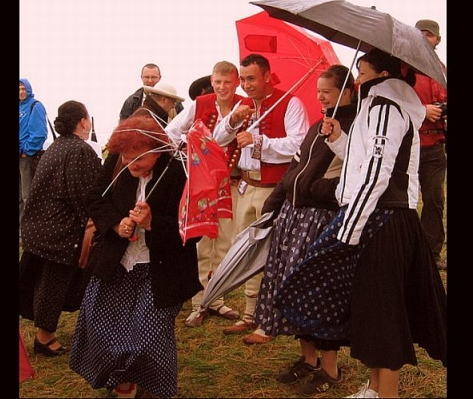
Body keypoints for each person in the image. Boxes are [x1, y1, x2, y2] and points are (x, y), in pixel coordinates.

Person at [296, 48, 446, 398]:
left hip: (384, 218)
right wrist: (337, 138)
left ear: (381, 74)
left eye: (361, 70)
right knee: (375, 307)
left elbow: (378, 174)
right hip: (380, 215)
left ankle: (387, 393)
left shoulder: (386, 108)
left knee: (385, 310)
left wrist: (349, 228)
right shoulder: (378, 107)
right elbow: (363, 160)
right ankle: (376, 387)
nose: (357, 76)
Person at [69, 114, 203, 399]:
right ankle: (123, 384)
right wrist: (117, 224)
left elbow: (193, 230)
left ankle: (155, 389)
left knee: (149, 337)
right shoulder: (116, 163)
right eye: (127, 159)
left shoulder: (179, 174)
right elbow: (95, 198)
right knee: (101, 327)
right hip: (116, 264)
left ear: (157, 150)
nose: (132, 165)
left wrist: (153, 223)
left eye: (139, 160)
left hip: (160, 270)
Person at [247, 65, 357, 395]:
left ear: (347, 92)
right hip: (295, 218)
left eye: (327, 91)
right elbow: (294, 169)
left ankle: (330, 368)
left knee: (320, 293)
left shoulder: (353, 128)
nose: (320, 96)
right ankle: (307, 360)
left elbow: (352, 177)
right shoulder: (315, 126)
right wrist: (275, 204)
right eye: (318, 90)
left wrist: (315, 189)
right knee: (293, 287)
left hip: (322, 219)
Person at [213, 53, 309, 342]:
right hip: (246, 184)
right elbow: (218, 138)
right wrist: (232, 121)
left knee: (274, 253)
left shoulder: (290, 102)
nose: (246, 84)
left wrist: (259, 142)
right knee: (246, 250)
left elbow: (299, 142)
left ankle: (270, 320)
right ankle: (250, 314)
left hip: (274, 189)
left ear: (267, 76)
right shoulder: (243, 106)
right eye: (242, 79)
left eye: (251, 78)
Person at [166, 61, 249, 327]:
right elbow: (172, 132)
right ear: (212, 81)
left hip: (233, 181)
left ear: (236, 81)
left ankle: (217, 299)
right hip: (202, 183)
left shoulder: (246, 105)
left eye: (227, 82)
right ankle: (198, 302)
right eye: (218, 82)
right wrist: (187, 152)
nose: (222, 87)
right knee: (202, 242)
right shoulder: (200, 104)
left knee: (226, 241)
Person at [19, 100, 101, 356]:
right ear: (83, 122)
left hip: (40, 226)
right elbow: (83, 195)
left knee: (45, 283)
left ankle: (45, 333)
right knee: (53, 285)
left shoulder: (56, 146)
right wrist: (92, 225)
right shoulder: (80, 150)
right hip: (59, 231)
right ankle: (44, 338)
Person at [413, 19, 447, 271]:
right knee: (406, 201)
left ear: (437, 40)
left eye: (429, 35)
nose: (425, 38)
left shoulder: (443, 70)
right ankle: (408, 249)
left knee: (434, 199)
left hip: (436, 144)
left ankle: (431, 253)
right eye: (420, 34)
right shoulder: (403, 69)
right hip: (410, 144)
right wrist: (421, 110)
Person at [19, 78, 48, 244]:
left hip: (26, 158)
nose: (21, 92)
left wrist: (26, 151)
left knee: (27, 196)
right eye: (19, 89)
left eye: (23, 89)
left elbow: (39, 133)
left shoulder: (35, 106)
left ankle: (29, 234)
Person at [119, 63, 183, 123]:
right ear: (141, 77)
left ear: (159, 78)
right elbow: (123, 125)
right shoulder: (131, 101)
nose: (150, 81)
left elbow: (183, 123)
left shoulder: (173, 101)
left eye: (153, 77)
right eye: (147, 77)